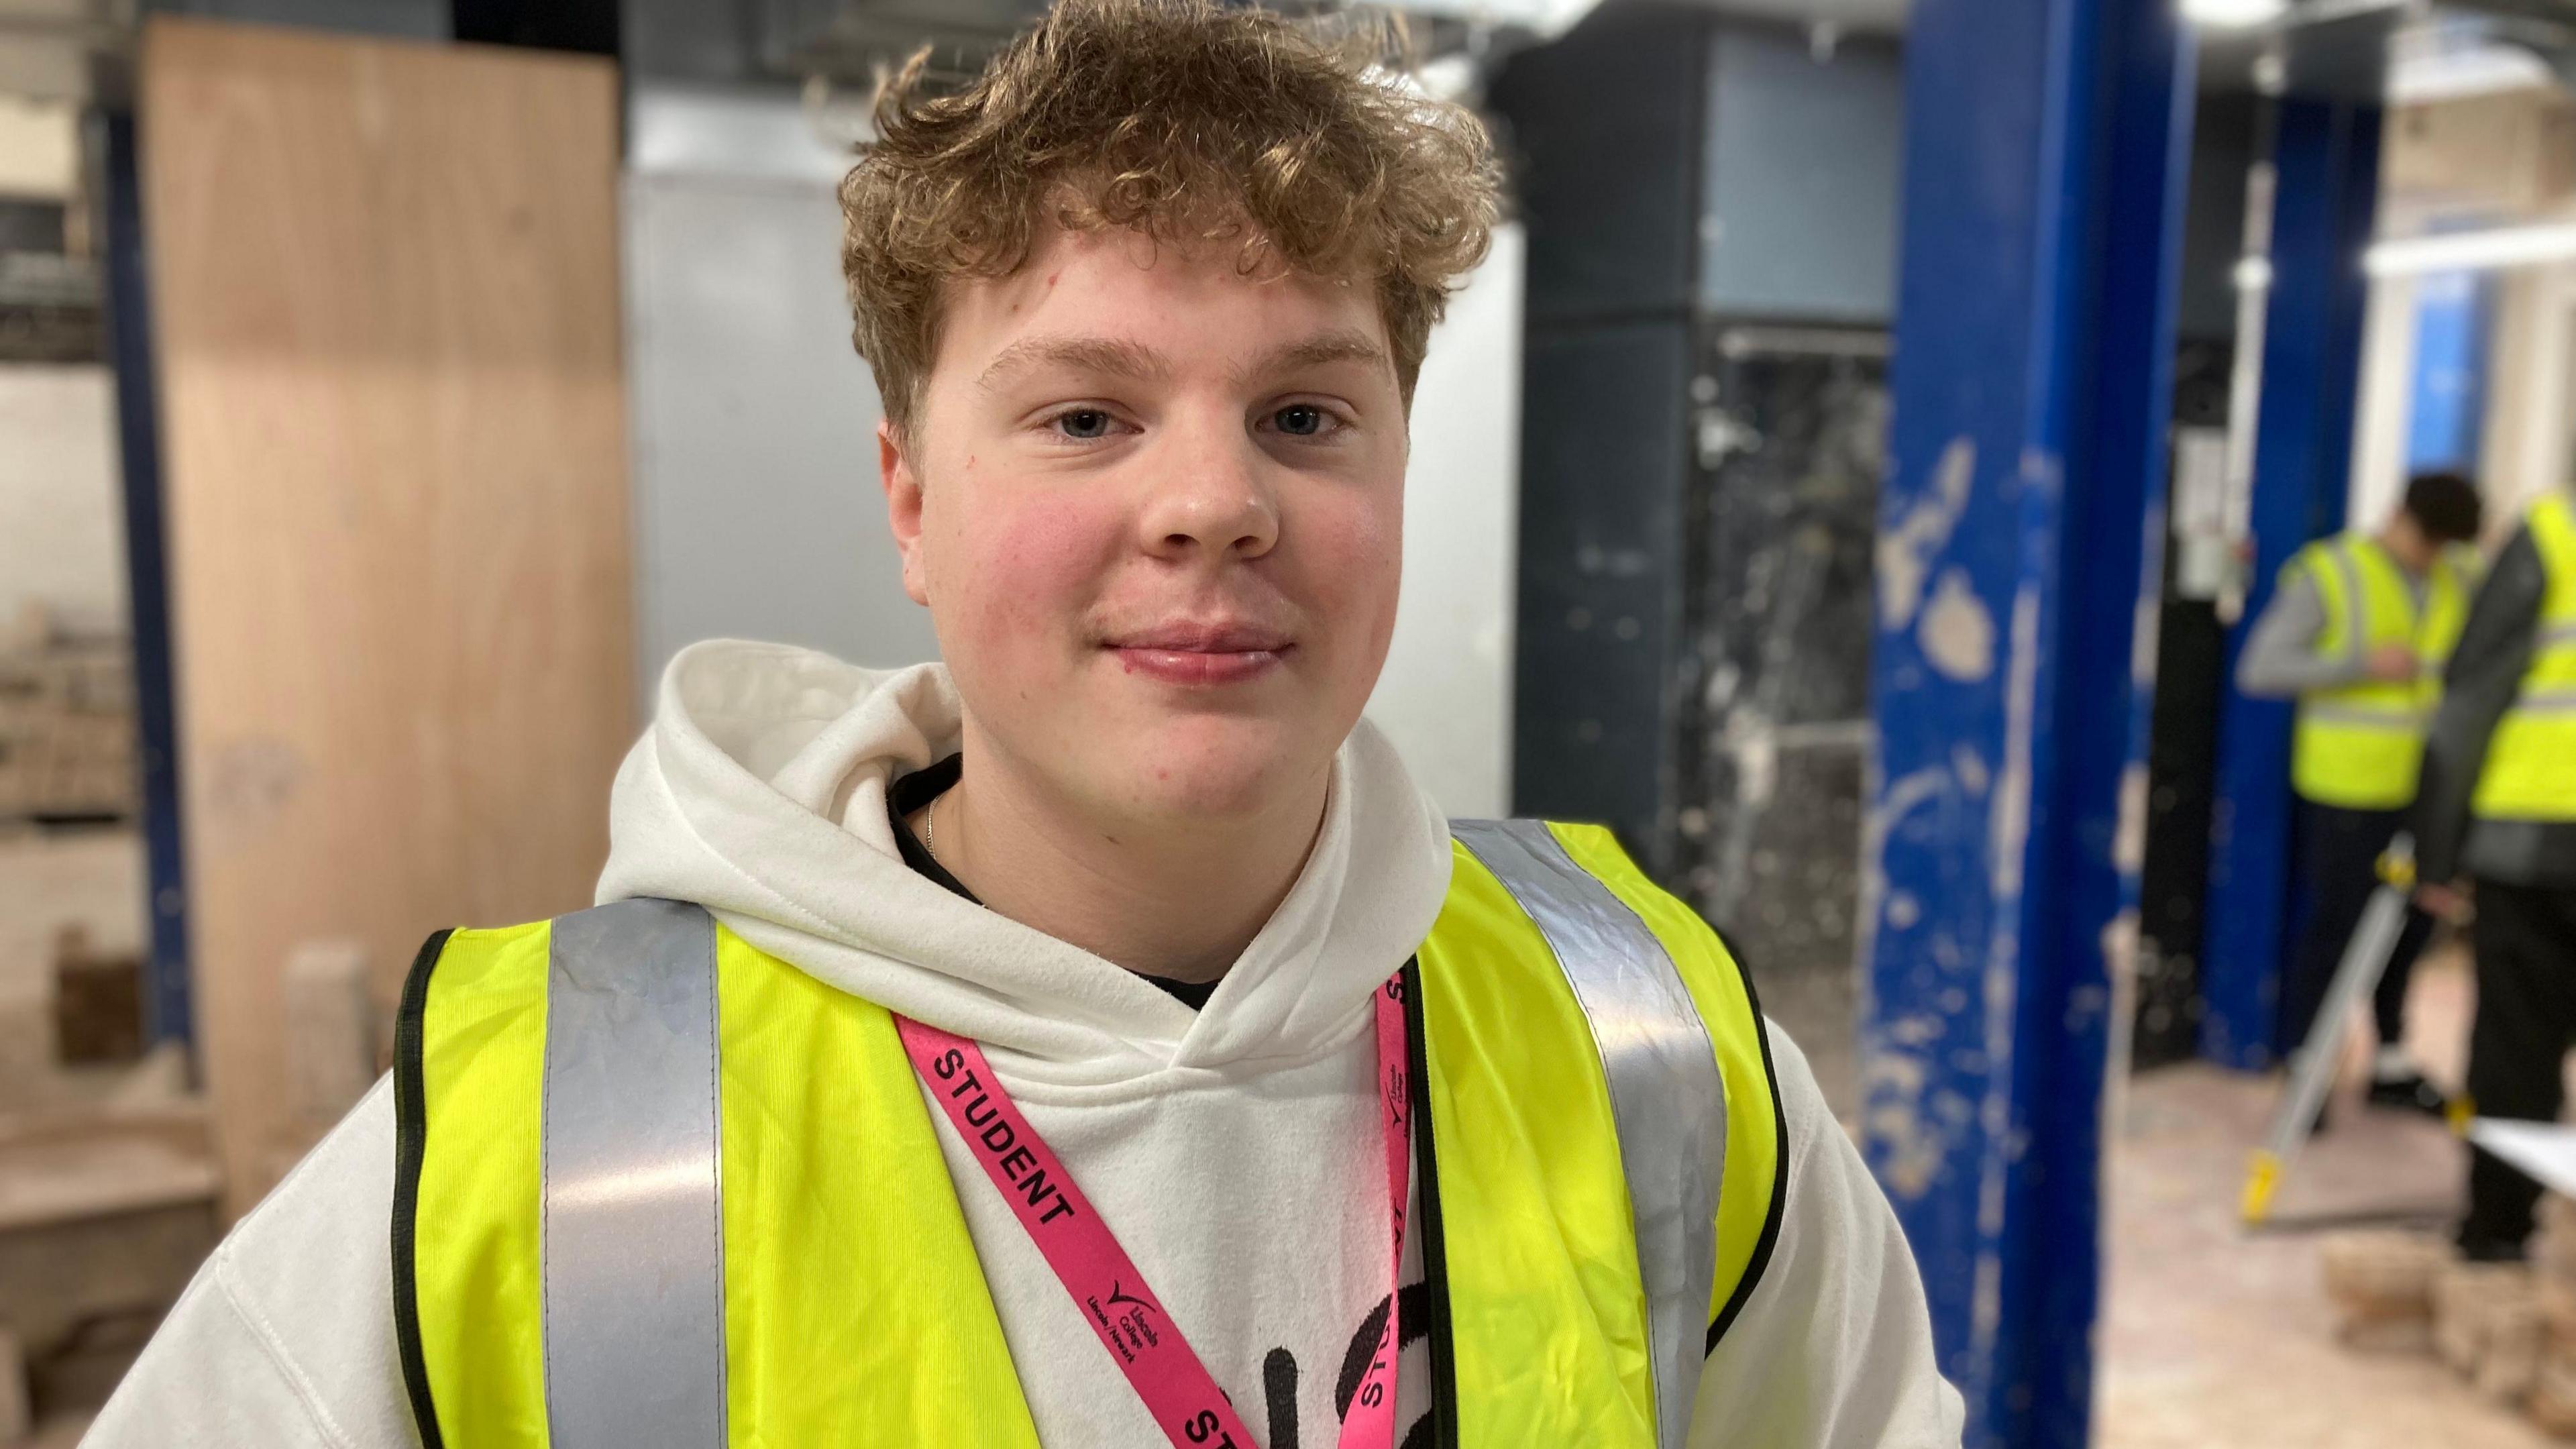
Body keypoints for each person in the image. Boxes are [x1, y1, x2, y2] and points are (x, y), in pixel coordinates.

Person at [84, 3, 1962, 1444]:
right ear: (909, 499)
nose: (1214, 504)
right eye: (1084, 416)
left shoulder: (1651, 1052)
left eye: (1308, 416)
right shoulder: (541, 1148)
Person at [2237, 472, 2485, 1116]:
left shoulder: (2456, 578)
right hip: (2347, 790)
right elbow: (2261, 668)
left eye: (2445, 546)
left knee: (2413, 928)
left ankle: (2393, 1062)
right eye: (2427, 540)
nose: (2432, 556)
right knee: (2334, 931)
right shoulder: (2332, 572)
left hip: (2426, 790)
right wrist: (2360, 666)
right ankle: (2307, 1065)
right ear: (2398, 515)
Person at [2414, 478, 2576, 1262]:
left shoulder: (2554, 531)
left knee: (2518, 1041)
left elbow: (2470, 701)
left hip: (2537, 839)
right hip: (2536, 843)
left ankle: (2499, 1233)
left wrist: (2439, 849)